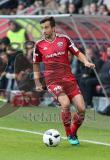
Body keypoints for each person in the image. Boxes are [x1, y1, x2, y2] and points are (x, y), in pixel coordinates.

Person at [33, 17, 95, 145]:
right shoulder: (39, 45)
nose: (44, 30)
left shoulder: (64, 39)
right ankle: (68, 133)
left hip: (69, 79)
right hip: (52, 80)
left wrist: (86, 62)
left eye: (46, 27)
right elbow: (36, 64)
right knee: (65, 103)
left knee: (82, 109)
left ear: (53, 27)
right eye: (42, 28)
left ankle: (73, 132)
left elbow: (77, 52)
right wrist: (37, 82)